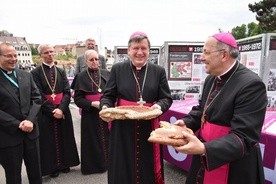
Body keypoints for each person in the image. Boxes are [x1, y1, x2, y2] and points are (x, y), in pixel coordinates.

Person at [173, 32, 267, 184]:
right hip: (204, 153)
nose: (202, 57)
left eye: (206, 52)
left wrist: (205, 149)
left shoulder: (251, 85)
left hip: (233, 165)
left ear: (224, 55)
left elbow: (244, 136)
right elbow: (203, 109)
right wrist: (187, 122)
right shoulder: (211, 78)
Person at [100, 31, 172, 184]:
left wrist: (158, 106)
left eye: (144, 48)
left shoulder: (158, 71)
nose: (140, 52)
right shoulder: (118, 69)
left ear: (149, 50)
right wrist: (105, 107)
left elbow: (166, 98)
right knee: (122, 167)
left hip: (149, 127)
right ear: (128, 51)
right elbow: (108, 96)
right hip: (123, 127)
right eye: (135, 48)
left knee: (148, 167)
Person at [31, 44, 80, 178]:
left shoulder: (60, 70)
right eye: (46, 52)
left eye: (52, 51)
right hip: (46, 111)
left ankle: (65, 164)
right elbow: (38, 94)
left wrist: (61, 109)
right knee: (48, 140)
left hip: (62, 109)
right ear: (41, 55)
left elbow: (66, 91)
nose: (50, 54)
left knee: (65, 136)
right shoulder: (35, 73)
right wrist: (53, 111)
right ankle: (52, 167)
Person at [0, 43, 42, 184]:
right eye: (8, 56)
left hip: (31, 133)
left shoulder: (26, 75)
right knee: (13, 176)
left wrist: (30, 120)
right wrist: (17, 124)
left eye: (15, 55)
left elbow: (36, 99)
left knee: (36, 173)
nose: (13, 59)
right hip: (8, 135)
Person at [72, 49, 110, 175]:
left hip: (106, 111)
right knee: (92, 140)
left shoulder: (106, 73)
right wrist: (92, 104)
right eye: (91, 60)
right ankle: (94, 167)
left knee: (108, 139)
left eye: (96, 59)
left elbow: (112, 93)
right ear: (86, 62)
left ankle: (109, 163)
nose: (94, 62)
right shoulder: (81, 76)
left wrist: (107, 104)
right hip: (90, 114)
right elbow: (77, 99)